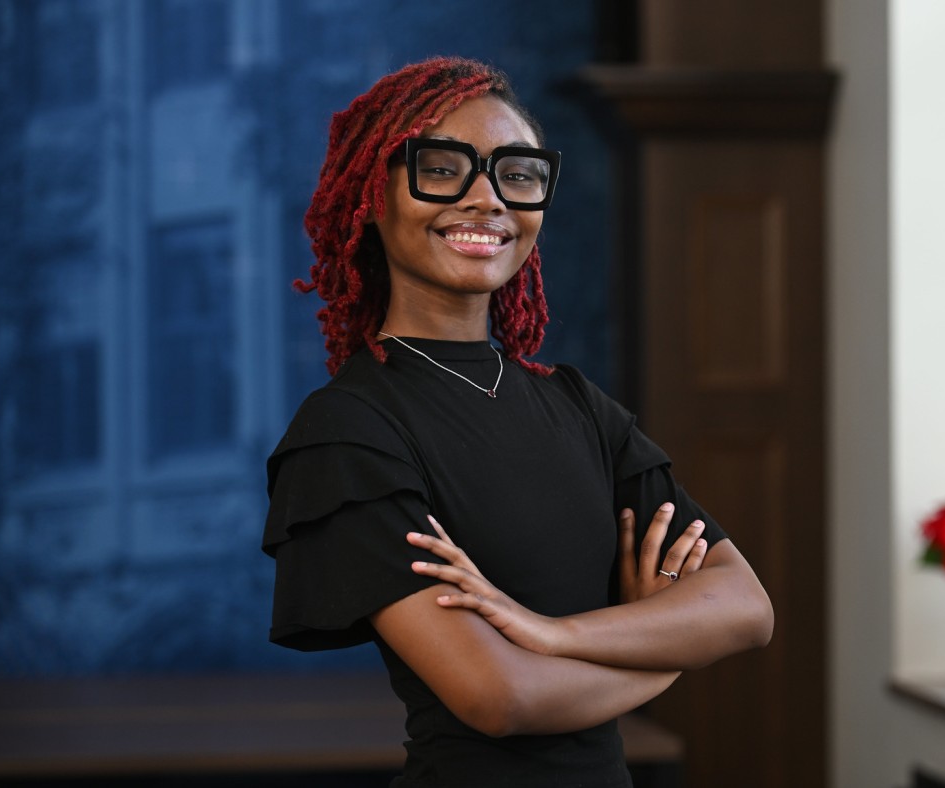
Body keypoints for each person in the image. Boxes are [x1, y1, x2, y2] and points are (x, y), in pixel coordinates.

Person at [262, 56, 774, 788]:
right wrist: (665, 650)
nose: (487, 200)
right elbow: (499, 696)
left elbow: (745, 606)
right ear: (372, 197)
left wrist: (550, 633)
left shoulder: (576, 405)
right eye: (443, 169)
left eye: (518, 173)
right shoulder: (349, 432)